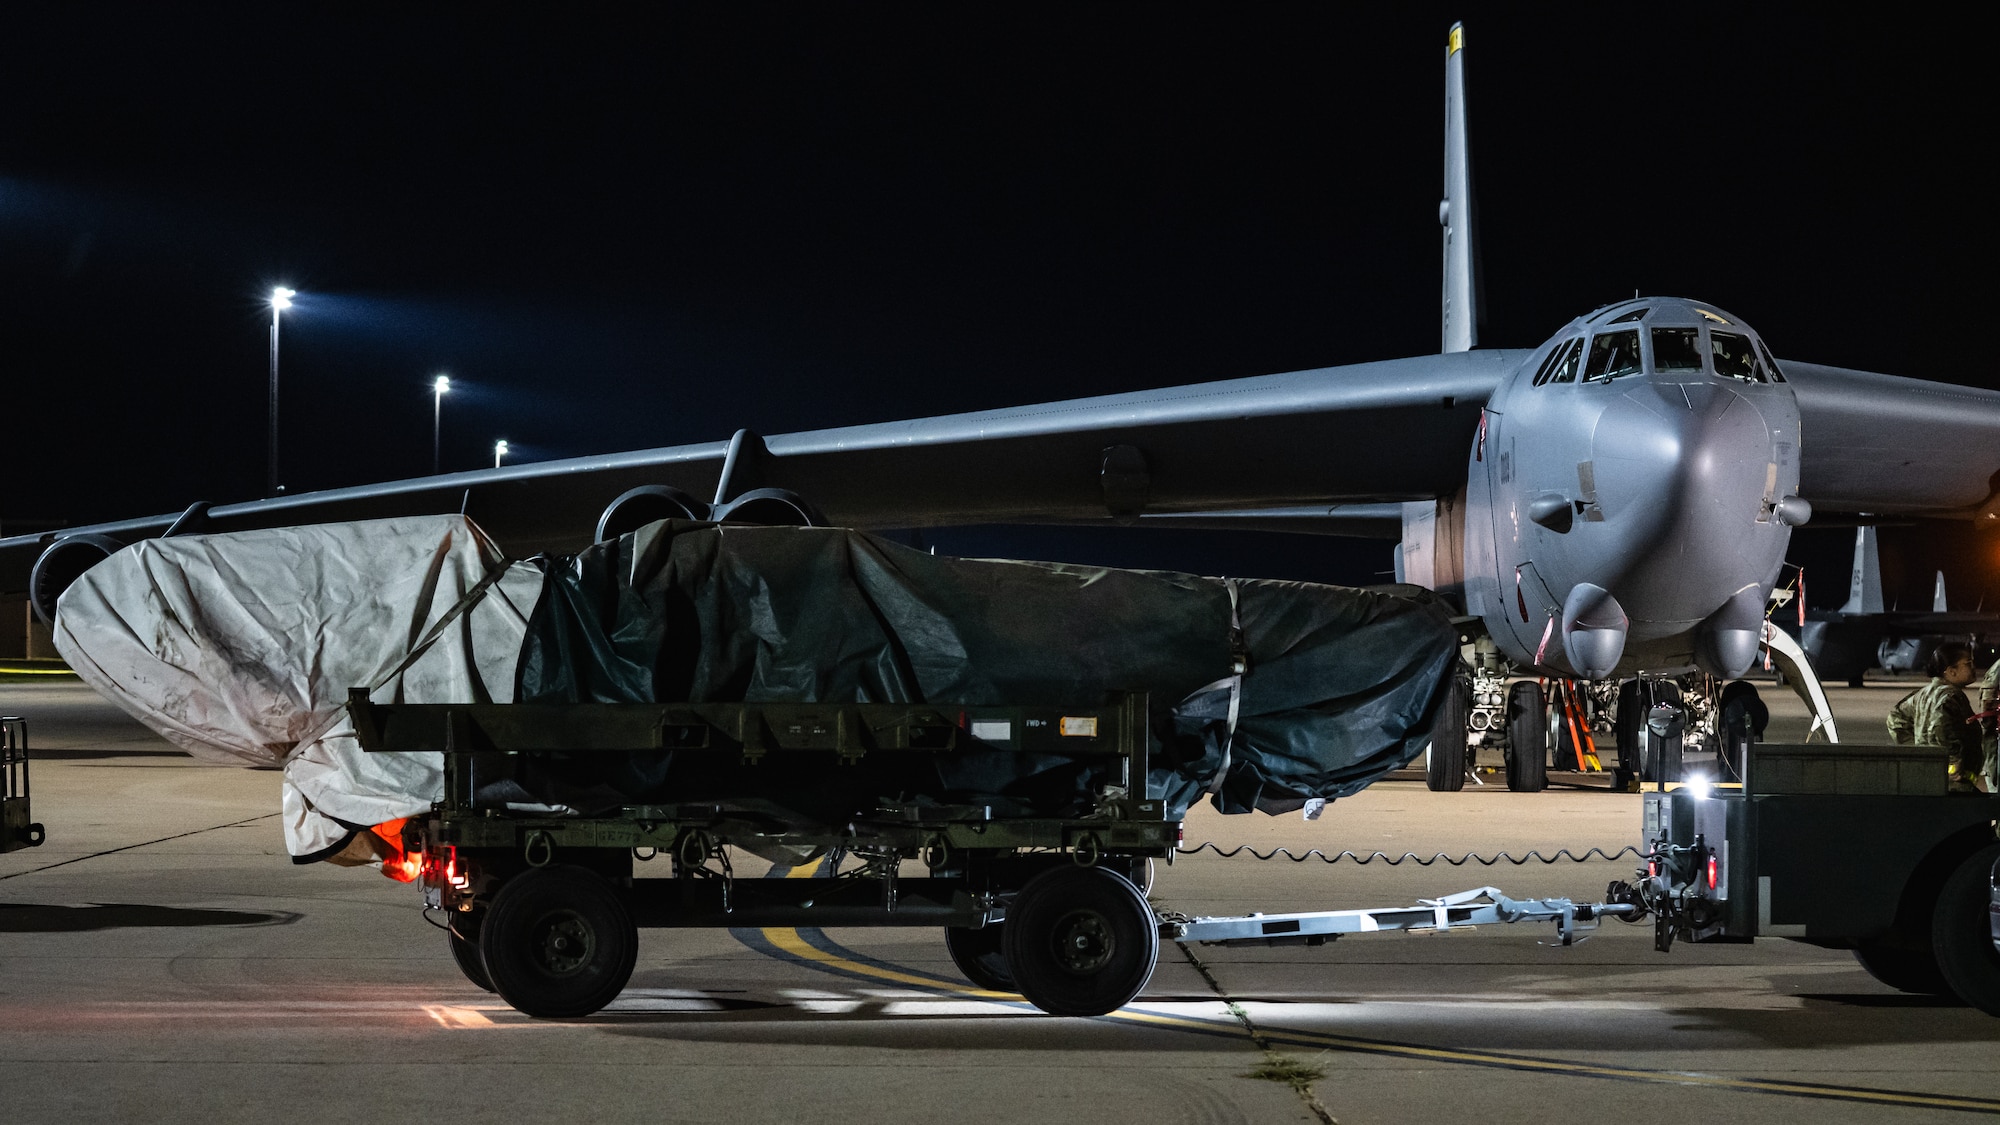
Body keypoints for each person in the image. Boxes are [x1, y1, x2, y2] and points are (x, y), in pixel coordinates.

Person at [1911, 643, 1981, 792]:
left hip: (1930, 775)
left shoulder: (1923, 693)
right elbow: (1941, 724)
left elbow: (1895, 720)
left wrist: (1917, 747)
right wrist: (1955, 765)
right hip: (1954, 785)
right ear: (1951, 671)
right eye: (1968, 663)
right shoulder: (1952, 695)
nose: (1973, 667)